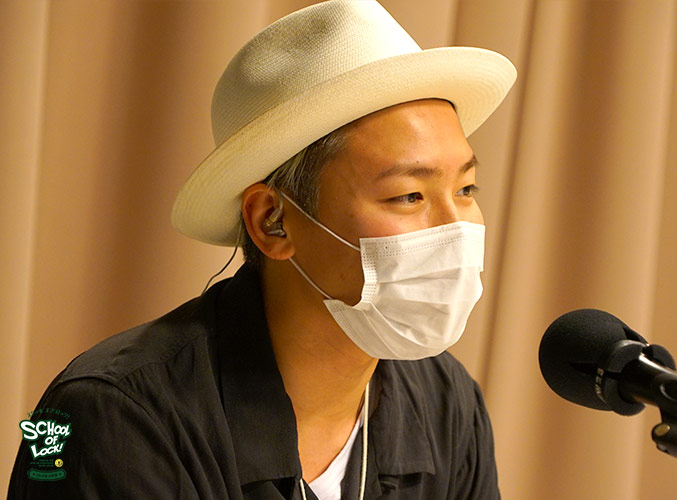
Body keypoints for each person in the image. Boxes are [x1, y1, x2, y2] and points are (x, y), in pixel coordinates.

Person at [8, 1, 516, 499]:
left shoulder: (446, 403)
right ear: (272, 221)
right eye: (409, 196)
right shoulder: (116, 417)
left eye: (466, 190)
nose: (456, 228)